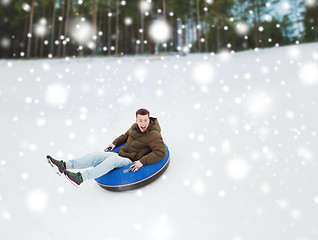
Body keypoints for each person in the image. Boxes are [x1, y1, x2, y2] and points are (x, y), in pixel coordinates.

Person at [47, 108, 167, 187]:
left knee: (112, 160)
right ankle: (63, 165)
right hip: (121, 153)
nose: (143, 124)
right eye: (140, 120)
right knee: (95, 155)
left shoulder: (153, 135)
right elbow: (126, 136)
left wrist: (142, 161)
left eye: (145, 120)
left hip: (131, 160)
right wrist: (114, 143)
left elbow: (161, 152)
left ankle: (81, 177)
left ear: (149, 119)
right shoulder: (134, 127)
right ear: (136, 120)